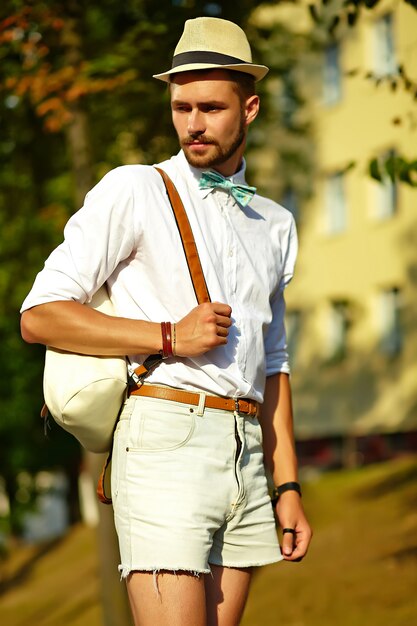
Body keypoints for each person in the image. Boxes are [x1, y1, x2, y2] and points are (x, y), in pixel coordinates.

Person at [21, 16, 312, 626]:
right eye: (181, 107)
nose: (193, 124)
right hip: (164, 437)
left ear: (250, 108)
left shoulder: (276, 224)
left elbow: (274, 362)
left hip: (247, 450)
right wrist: (168, 336)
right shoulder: (136, 190)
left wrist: (288, 487)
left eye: (211, 107)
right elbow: (41, 315)